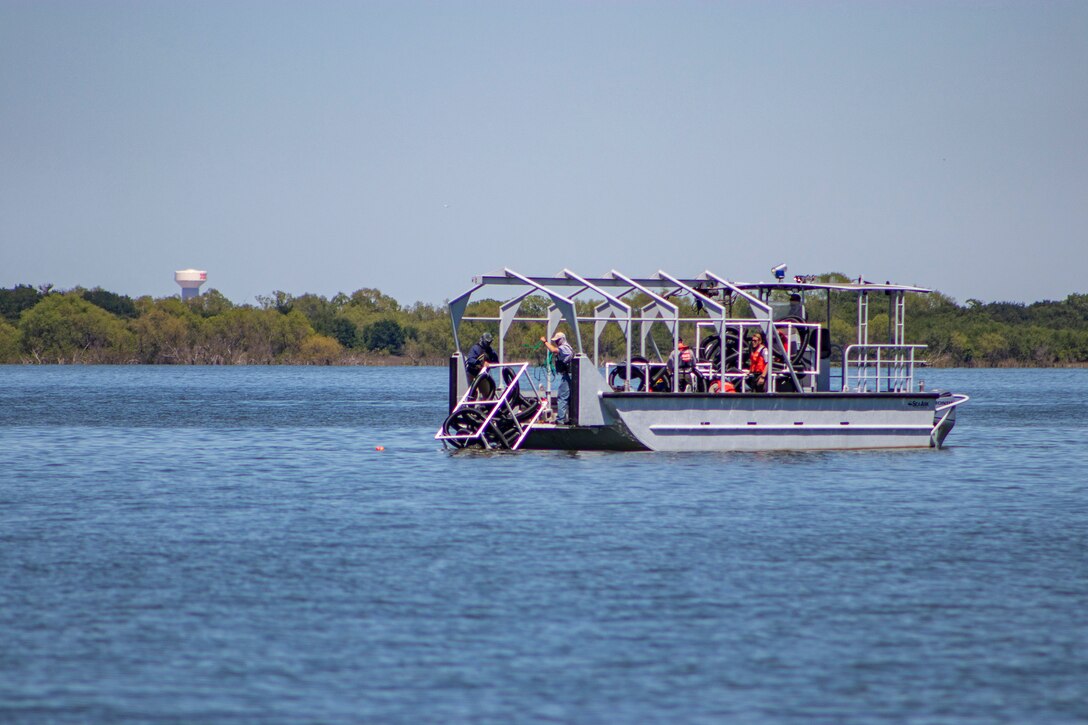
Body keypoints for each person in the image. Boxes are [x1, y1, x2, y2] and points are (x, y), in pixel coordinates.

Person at [541, 331, 574, 425]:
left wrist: (545, 342)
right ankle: (569, 419)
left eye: (557, 340)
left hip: (568, 375)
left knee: (562, 397)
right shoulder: (566, 348)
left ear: (562, 339)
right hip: (569, 375)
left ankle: (560, 420)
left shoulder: (564, 347)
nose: (556, 342)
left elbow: (553, 350)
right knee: (568, 397)